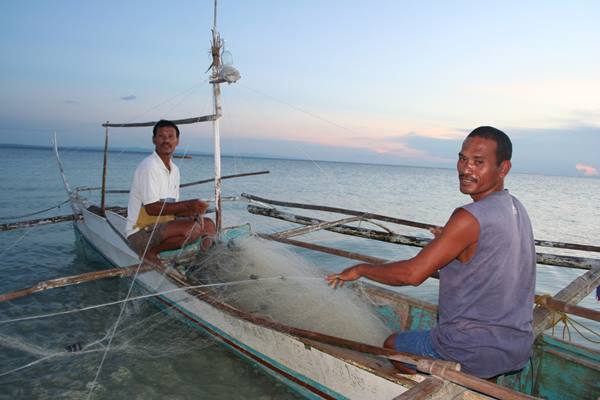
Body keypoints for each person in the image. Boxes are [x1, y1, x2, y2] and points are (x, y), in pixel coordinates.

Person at [326, 126, 536, 378]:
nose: (465, 168)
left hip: (472, 350)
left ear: (503, 168)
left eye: (478, 162)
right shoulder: (515, 206)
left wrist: (360, 269)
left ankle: (433, 382)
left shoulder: (468, 217)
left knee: (392, 345)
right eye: (462, 158)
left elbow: (412, 275)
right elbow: (488, 250)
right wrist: (452, 241)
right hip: (517, 346)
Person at [125, 119, 216, 266]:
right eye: (161, 136)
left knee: (209, 224)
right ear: (154, 140)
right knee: (191, 230)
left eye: (170, 137)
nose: (166, 140)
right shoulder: (149, 166)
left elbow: (173, 209)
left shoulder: (175, 170)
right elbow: (152, 208)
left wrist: (192, 212)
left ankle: (202, 261)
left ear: (177, 141)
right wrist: (189, 204)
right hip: (140, 233)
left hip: (163, 227)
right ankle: (150, 253)